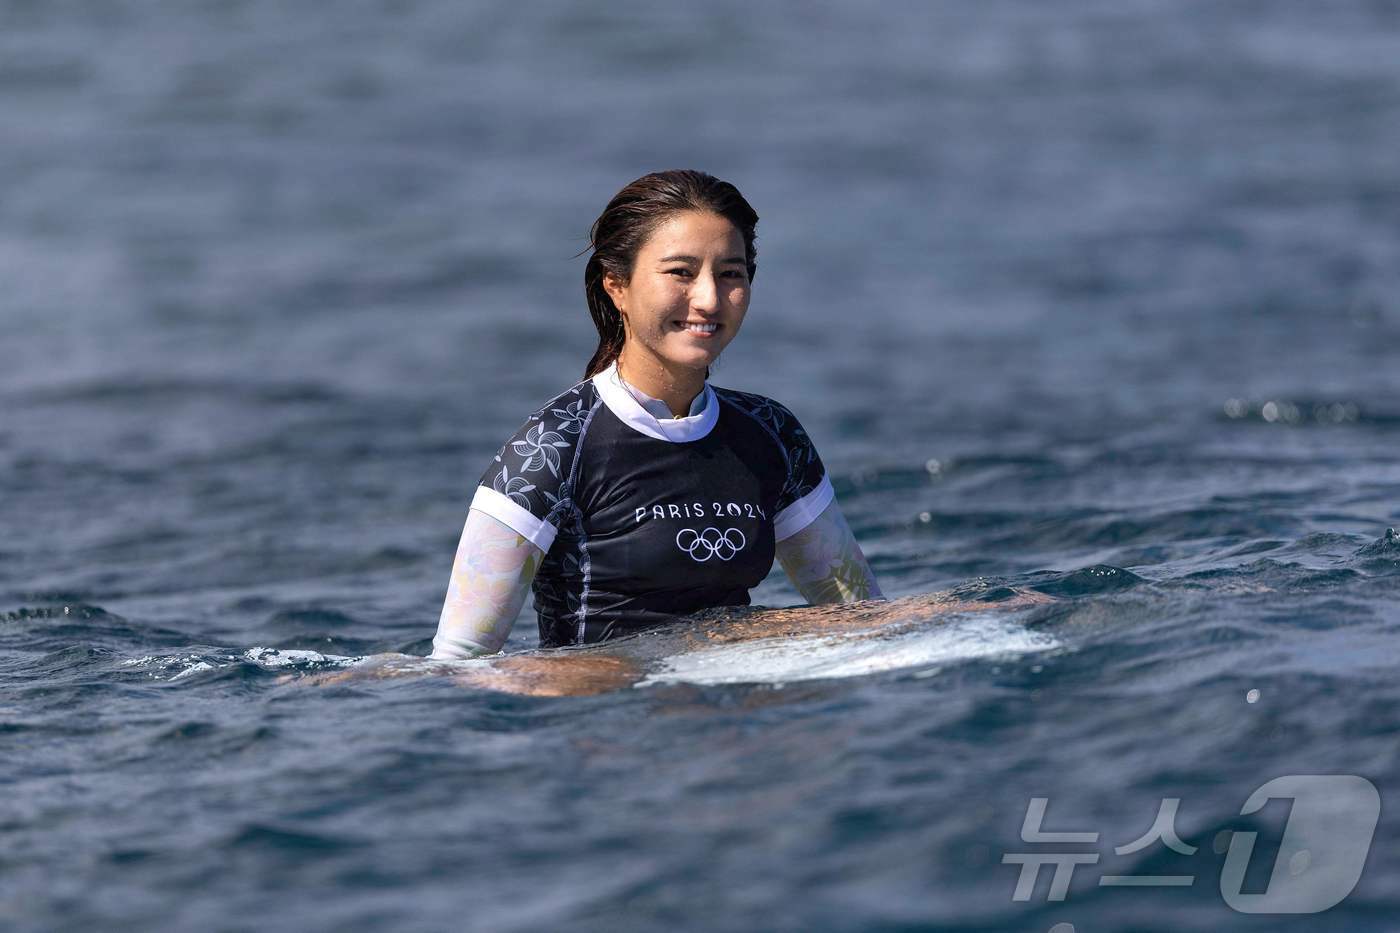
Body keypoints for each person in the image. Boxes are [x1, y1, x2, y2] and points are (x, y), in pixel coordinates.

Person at [430, 170, 883, 660]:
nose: (709, 299)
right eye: (681, 272)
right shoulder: (553, 446)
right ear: (617, 286)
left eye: (731, 274)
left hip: (740, 699)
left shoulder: (771, 433)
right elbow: (459, 660)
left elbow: (862, 617)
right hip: (602, 700)